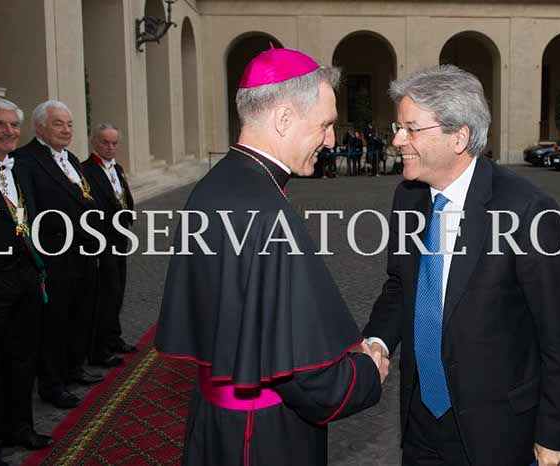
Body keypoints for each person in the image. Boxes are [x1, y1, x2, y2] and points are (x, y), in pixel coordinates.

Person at [155, 46, 387, 466]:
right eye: (325, 125)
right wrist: (367, 372)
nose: (331, 140)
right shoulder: (265, 211)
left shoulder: (218, 183)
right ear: (283, 118)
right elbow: (311, 382)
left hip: (217, 421)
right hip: (261, 436)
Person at [363, 65, 560, 466]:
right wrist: (378, 341)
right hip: (420, 425)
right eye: (399, 128)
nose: (397, 140)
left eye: (411, 129)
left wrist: (555, 431)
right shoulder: (408, 197)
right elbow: (400, 287)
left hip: (499, 433)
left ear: (459, 137)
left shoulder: (528, 210)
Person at [13, 100, 106, 410]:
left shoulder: (72, 159)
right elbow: (29, 212)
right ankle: (52, 384)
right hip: (54, 255)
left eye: (69, 124)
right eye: (58, 124)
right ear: (39, 127)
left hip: (83, 252)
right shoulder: (25, 160)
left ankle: (72, 368)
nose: (66, 130)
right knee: (54, 322)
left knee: (79, 314)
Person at [0, 97, 52, 465]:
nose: (9, 131)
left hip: (26, 279)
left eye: (13, 124)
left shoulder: (20, 168)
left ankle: (21, 427)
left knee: (23, 358)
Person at [82, 123, 136, 366]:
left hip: (120, 237)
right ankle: (99, 349)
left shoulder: (118, 168)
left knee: (118, 290)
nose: (110, 147)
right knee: (105, 293)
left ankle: (114, 338)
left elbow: (123, 197)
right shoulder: (86, 170)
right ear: (94, 142)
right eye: (105, 142)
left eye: (114, 143)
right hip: (102, 239)